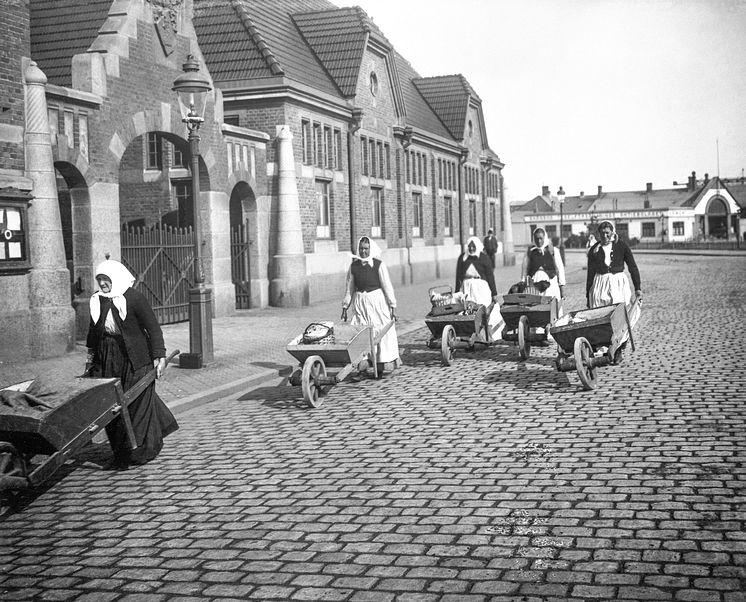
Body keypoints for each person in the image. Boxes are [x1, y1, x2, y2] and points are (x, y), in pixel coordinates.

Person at [85, 259, 178, 469]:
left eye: (105, 279)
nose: (102, 284)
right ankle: (120, 453)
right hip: (108, 356)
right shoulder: (97, 300)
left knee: (136, 403)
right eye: (99, 280)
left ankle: (143, 450)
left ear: (115, 278)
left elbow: (153, 328)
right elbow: (93, 330)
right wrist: (91, 356)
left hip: (136, 358)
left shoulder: (134, 298)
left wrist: (159, 356)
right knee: (112, 405)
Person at [341, 236, 400, 376]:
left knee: (379, 330)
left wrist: (392, 305)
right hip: (360, 302)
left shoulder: (379, 265)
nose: (363, 252)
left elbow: (387, 286)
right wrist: (345, 306)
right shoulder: (353, 267)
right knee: (360, 332)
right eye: (361, 249)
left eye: (366, 249)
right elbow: (349, 288)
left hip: (376, 302)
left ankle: (382, 362)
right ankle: (362, 365)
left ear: (370, 249)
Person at [586, 221, 642, 310]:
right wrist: (588, 296)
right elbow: (590, 273)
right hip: (600, 284)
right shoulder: (594, 249)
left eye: (607, 233)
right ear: (599, 234)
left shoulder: (622, 246)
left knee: (619, 311)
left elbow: (632, 267)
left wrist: (637, 288)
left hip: (618, 284)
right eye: (602, 233)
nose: (604, 236)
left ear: (612, 232)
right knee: (599, 311)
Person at [521, 226, 566, 304]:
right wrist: (523, 281)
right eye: (536, 238)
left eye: (541, 238)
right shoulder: (530, 252)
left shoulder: (553, 250)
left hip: (550, 283)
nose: (538, 241)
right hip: (534, 284)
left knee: (551, 305)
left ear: (544, 238)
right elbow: (524, 268)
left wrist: (562, 287)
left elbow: (560, 268)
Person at [455, 236, 498, 307]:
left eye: (473, 246)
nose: (471, 249)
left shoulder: (484, 258)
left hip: (480, 288)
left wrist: (494, 293)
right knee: (466, 308)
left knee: (482, 307)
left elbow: (490, 277)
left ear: (477, 246)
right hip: (466, 288)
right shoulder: (463, 258)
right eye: (469, 246)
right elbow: (458, 276)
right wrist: (456, 292)